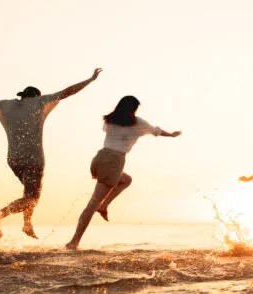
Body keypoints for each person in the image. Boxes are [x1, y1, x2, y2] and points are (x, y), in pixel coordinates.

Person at [0, 68, 103, 239]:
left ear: (22, 96)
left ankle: (27, 224)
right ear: (36, 96)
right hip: (33, 158)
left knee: (28, 193)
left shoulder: (5, 105)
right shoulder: (40, 102)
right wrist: (90, 79)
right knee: (32, 197)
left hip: (13, 159)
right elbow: (68, 92)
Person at [65, 96, 181, 250]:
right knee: (92, 204)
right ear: (133, 109)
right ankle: (73, 242)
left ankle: (104, 206)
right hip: (114, 161)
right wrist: (172, 135)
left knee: (126, 180)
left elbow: (108, 132)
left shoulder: (109, 120)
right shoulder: (138, 123)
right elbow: (156, 131)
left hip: (101, 157)